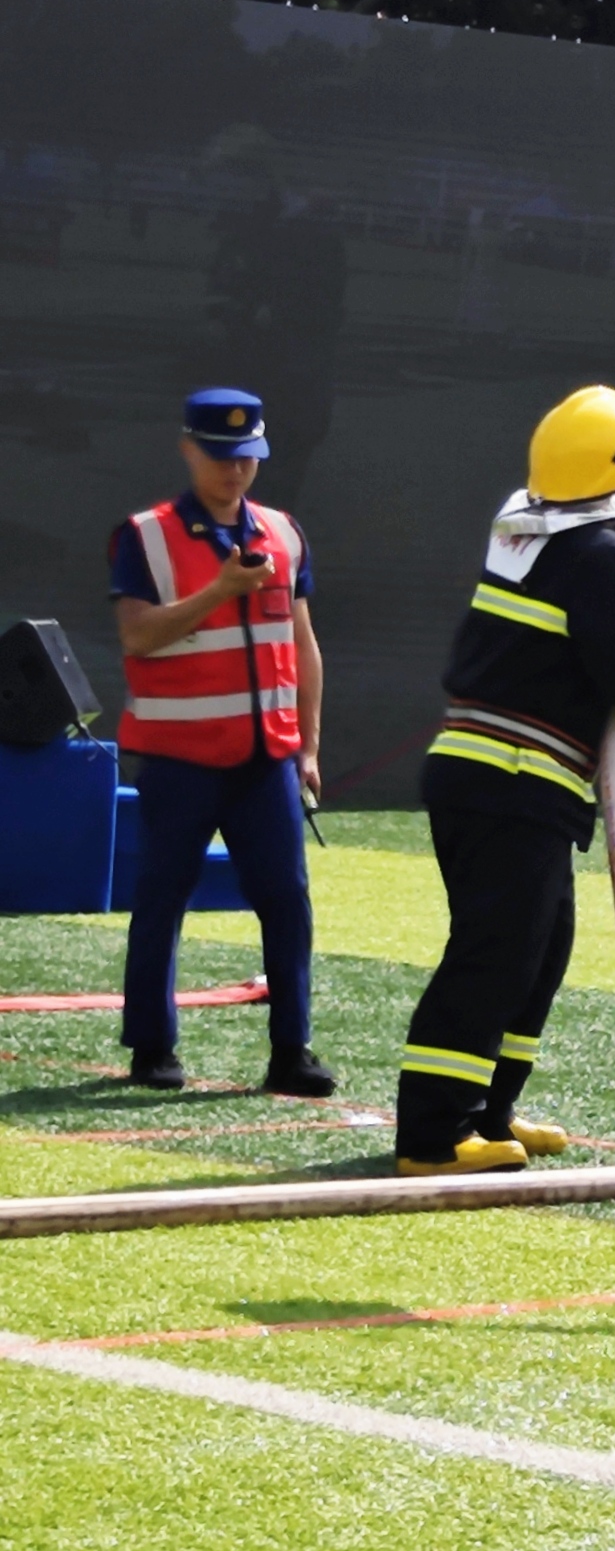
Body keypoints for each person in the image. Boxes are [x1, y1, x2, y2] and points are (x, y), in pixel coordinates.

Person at [392, 388, 615, 1176]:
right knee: (496, 950)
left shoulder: (523, 533)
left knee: (537, 948)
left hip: (496, 778)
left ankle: (489, 1112)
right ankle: (433, 1136)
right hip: (511, 779)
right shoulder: (600, 554)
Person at [109, 388, 332, 1095]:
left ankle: (291, 1049)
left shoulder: (284, 532)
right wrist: (219, 591)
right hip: (179, 759)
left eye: (247, 457)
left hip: (266, 757)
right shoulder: (144, 534)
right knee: (162, 898)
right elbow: (138, 634)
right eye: (220, 455)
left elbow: (302, 645)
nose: (234, 471)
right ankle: (151, 1046)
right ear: (187, 447)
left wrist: (310, 745)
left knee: (287, 899)